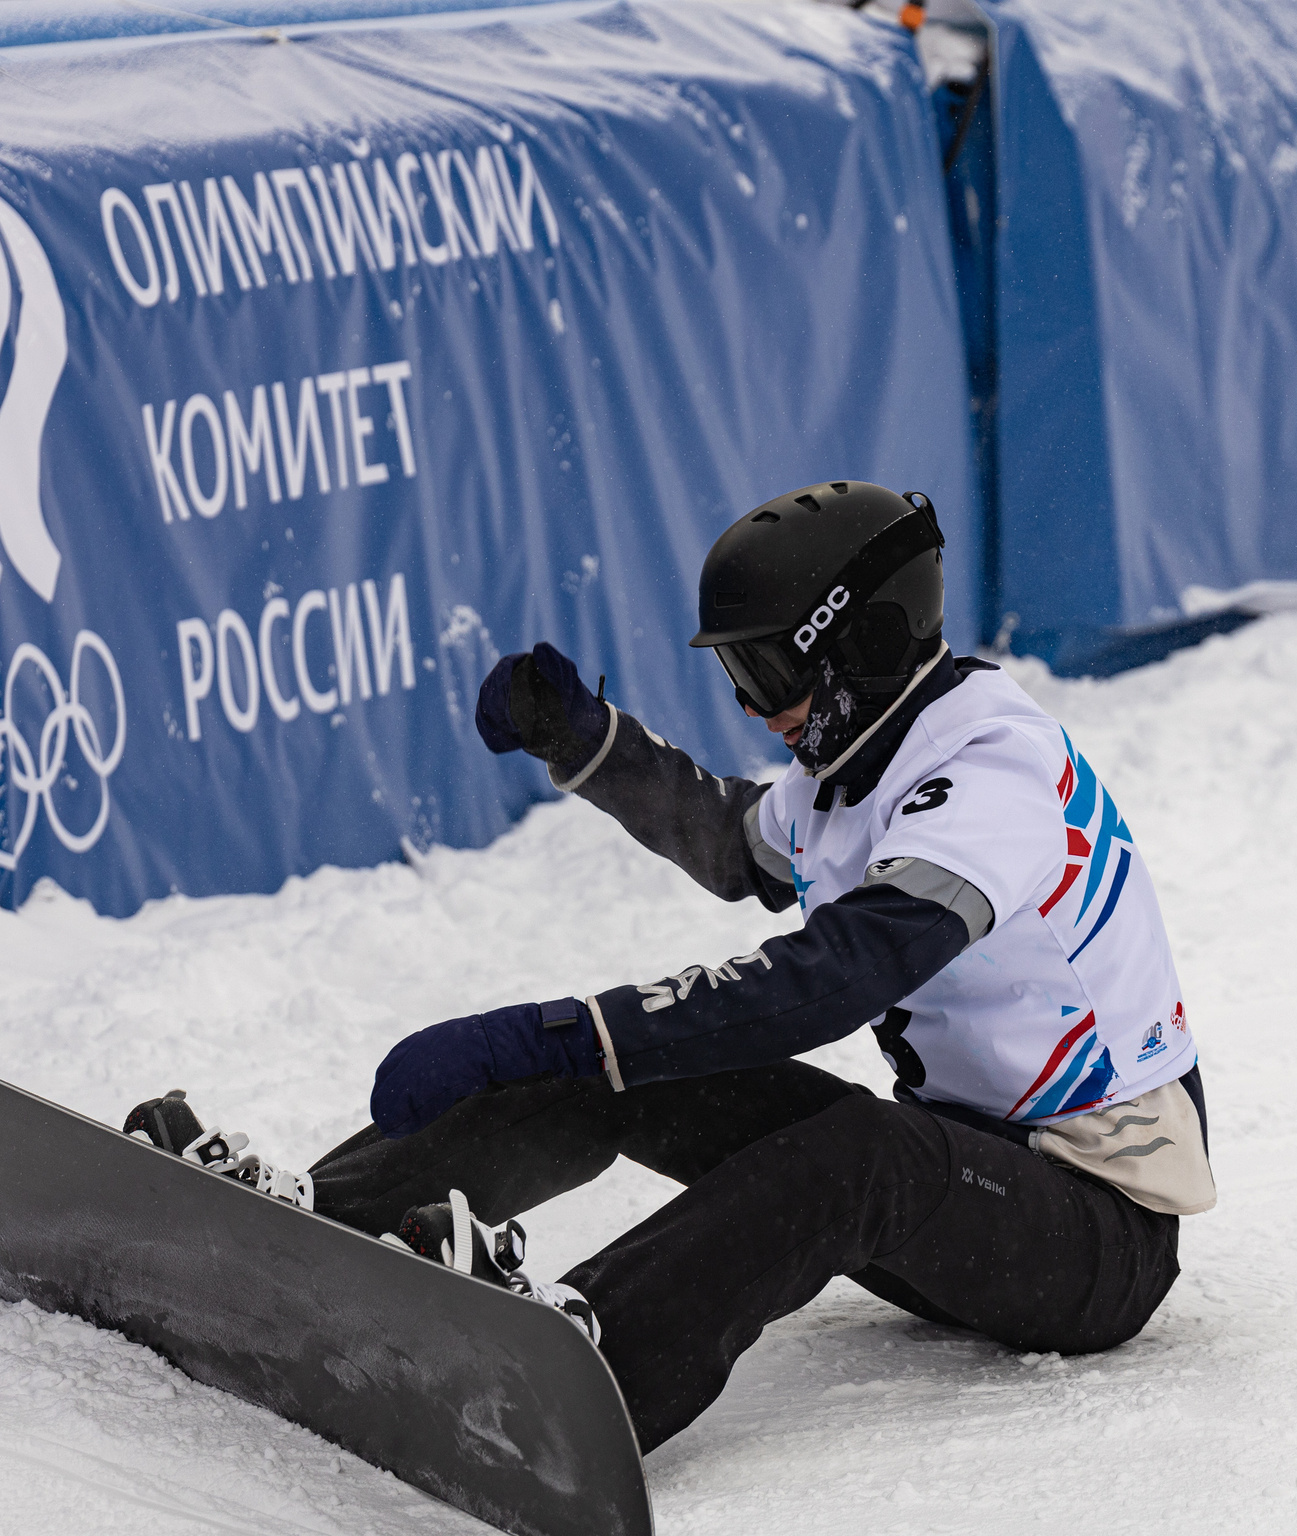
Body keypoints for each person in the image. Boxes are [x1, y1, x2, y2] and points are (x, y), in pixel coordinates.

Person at [172, 480, 1214, 1454]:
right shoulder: (860, 761)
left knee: (855, 1146)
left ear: (864, 646)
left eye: (770, 674)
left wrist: (559, 1028)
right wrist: (589, 742)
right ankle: (315, 1225)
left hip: (1096, 1230)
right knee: (638, 1066)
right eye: (738, 676)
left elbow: (836, 976)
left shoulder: (992, 775)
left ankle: (590, 1366)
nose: (757, 711)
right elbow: (733, 839)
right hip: (966, 1180)